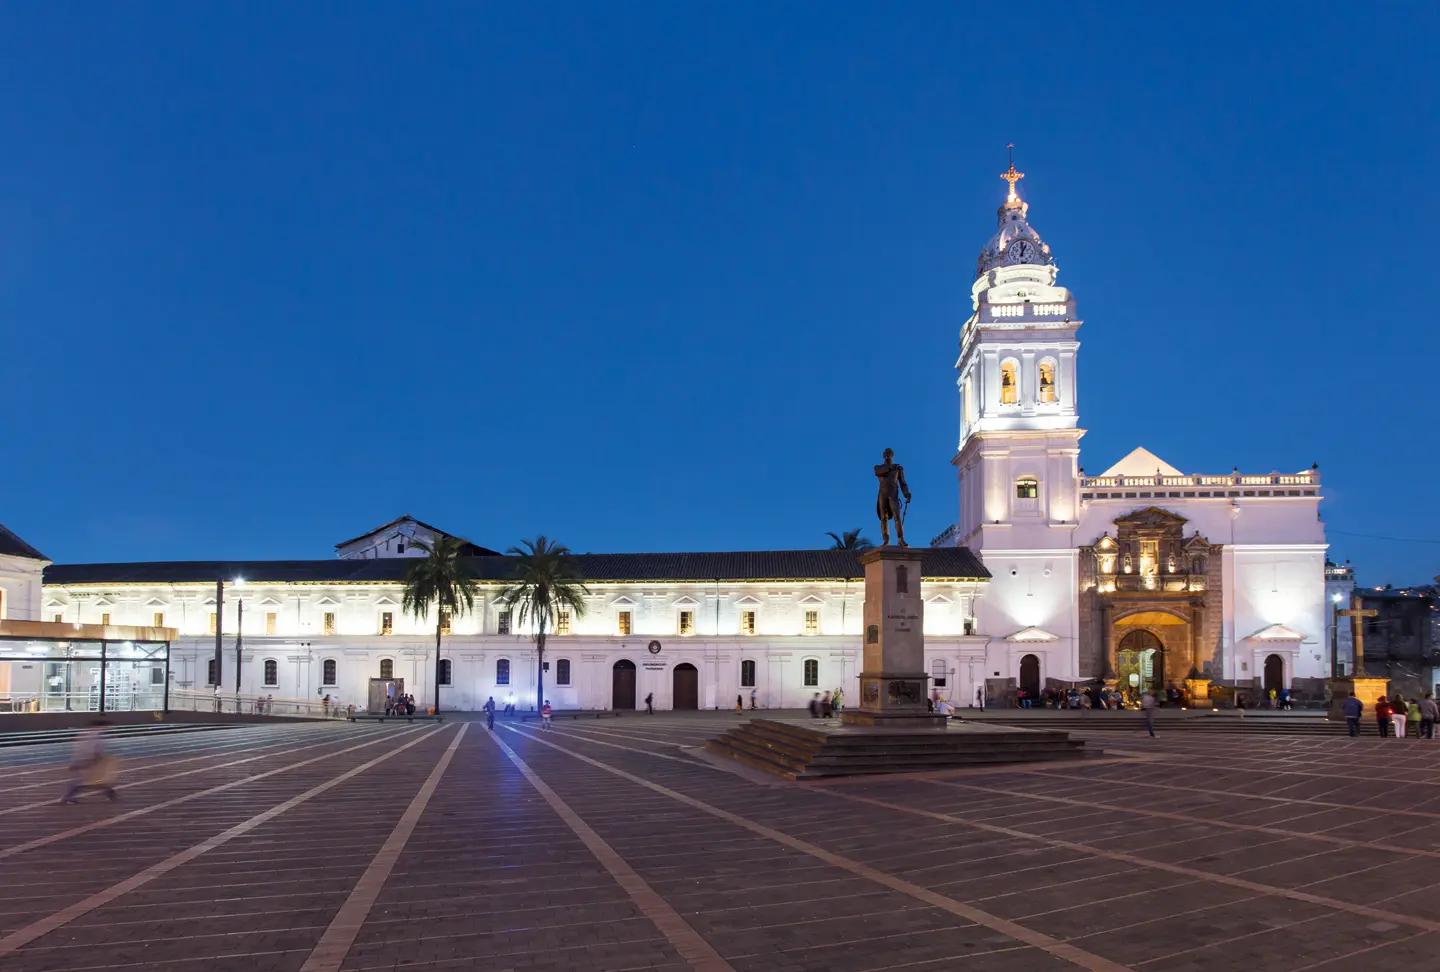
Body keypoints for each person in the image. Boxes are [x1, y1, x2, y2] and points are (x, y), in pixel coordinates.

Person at [61, 720, 118, 804]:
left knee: (87, 780)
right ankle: (68, 798)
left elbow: (79, 749)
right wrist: (96, 759)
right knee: (86, 781)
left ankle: (111, 795)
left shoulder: (84, 734)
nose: (107, 729)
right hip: (88, 761)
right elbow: (92, 749)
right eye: (106, 727)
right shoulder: (94, 736)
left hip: (84, 760)